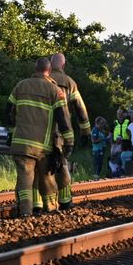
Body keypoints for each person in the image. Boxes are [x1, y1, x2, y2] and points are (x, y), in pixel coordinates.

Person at [3, 57, 71, 217]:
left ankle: (25, 213)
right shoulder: (54, 90)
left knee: (24, 180)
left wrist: (11, 132)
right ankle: (51, 210)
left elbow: (8, 111)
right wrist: (68, 140)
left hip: (22, 144)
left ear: (35, 68)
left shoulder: (20, 85)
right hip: (43, 146)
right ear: (48, 70)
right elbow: (62, 117)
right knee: (47, 179)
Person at [49, 52, 90, 209]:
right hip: (63, 132)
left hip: (42, 130)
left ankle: (43, 203)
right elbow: (81, 109)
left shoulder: (42, 81)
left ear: (50, 65)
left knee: (43, 166)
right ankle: (65, 201)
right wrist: (85, 132)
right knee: (62, 163)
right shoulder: (69, 82)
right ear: (63, 65)